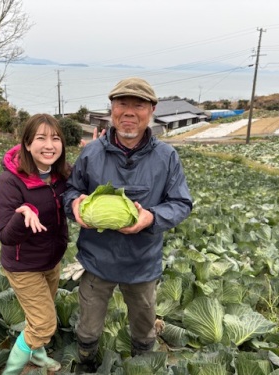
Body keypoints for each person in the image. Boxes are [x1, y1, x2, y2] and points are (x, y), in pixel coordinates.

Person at [62, 77, 193, 370]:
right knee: (88, 328)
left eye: (139, 105)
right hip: (97, 260)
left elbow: (181, 203)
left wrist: (151, 217)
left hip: (141, 262)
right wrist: (74, 204)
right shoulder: (92, 153)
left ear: (152, 110)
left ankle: (142, 364)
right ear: (112, 109)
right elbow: (70, 190)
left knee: (144, 328)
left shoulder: (166, 157)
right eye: (122, 104)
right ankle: (86, 363)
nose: (129, 112)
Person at [0, 113, 70, 374]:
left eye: (55, 138)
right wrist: (23, 213)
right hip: (23, 265)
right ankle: (11, 371)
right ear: (27, 143)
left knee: (36, 318)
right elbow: (4, 235)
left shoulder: (60, 176)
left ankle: (36, 356)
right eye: (41, 138)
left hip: (52, 261)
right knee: (43, 324)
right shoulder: (10, 181)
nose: (49, 145)